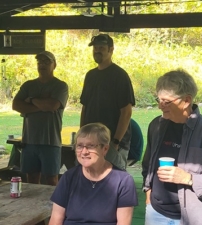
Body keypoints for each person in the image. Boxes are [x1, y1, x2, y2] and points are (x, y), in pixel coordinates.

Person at [142, 69, 202, 225]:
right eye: (159, 100)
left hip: (195, 218)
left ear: (187, 101)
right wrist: (148, 194)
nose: (161, 106)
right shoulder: (156, 126)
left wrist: (188, 178)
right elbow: (147, 164)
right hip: (156, 212)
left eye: (167, 101)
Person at [49, 123, 138, 225]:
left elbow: (123, 223)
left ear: (105, 149)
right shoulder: (69, 177)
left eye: (91, 146)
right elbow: (56, 219)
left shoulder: (123, 181)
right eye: (79, 146)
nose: (84, 152)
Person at [12, 51, 68, 186]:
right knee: (31, 179)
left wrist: (30, 100)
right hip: (29, 141)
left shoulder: (60, 86)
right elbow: (16, 105)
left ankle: (52, 206)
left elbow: (53, 105)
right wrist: (43, 106)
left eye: (46, 62)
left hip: (50, 141)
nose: (42, 65)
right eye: (40, 62)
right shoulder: (28, 85)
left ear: (54, 65)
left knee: (51, 179)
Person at [80, 33, 135, 170]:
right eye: (95, 48)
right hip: (91, 140)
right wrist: (82, 135)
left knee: (113, 180)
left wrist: (116, 141)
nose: (97, 51)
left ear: (111, 50)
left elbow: (126, 112)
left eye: (101, 48)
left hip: (111, 142)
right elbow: (85, 107)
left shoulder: (119, 76)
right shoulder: (90, 75)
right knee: (90, 178)